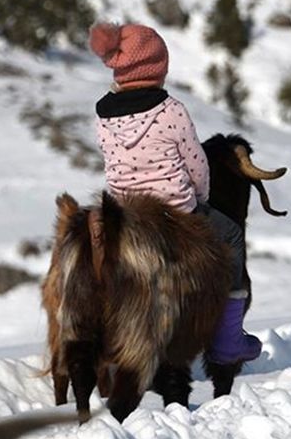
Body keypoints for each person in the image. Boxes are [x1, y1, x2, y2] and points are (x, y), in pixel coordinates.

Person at [87, 21, 261, 364]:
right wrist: (201, 198)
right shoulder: (171, 110)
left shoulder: (102, 116)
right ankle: (228, 342)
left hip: (125, 215)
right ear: (156, 68)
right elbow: (196, 164)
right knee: (231, 235)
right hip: (175, 213)